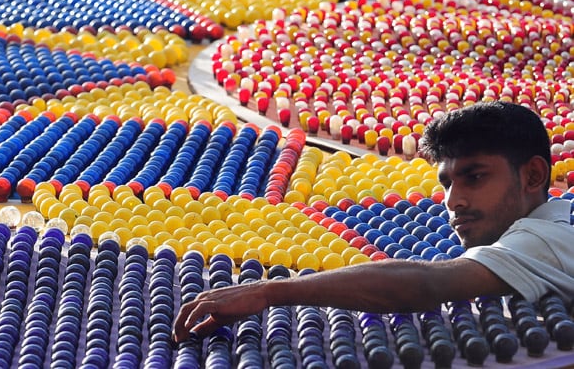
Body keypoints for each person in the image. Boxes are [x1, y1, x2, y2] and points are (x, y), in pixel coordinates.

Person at [173, 100, 574, 342]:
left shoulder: (547, 238)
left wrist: (268, 293)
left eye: (475, 176)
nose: (454, 200)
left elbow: (427, 282)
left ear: (534, 176)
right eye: (447, 183)